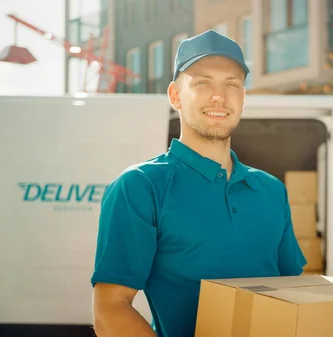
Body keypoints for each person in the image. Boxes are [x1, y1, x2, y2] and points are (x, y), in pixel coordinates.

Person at [90, 30, 307, 337]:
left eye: (232, 84)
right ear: (175, 96)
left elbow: (295, 293)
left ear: (243, 97)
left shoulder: (271, 190)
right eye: (203, 83)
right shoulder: (140, 187)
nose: (219, 96)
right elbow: (110, 311)